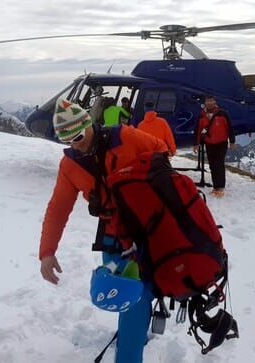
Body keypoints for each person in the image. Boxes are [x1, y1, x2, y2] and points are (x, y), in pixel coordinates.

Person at [39, 96, 168, 362]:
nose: (76, 144)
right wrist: (47, 252)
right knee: (130, 297)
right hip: (112, 238)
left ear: (89, 123)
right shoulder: (70, 165)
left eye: (78, 135)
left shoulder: (128, 137)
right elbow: (58, 208)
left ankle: (131, 347)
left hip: (150, 230)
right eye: (67, 140)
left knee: (136, 299)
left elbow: (163, 150)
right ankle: (133, 340)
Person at [193, 95, 237, 197]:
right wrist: (195, 143)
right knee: (212, 165)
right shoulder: (202, 115)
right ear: (205, 102)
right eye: (207, 101)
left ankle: (220, 187)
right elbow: (198, 130)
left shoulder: (222, 114)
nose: (209, 103)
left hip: (221, 143)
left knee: (219, 164)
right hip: (209, 144)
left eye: (211, 101)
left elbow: (230, 128)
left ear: (214, 102)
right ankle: (215, 187)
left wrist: (232, 141)